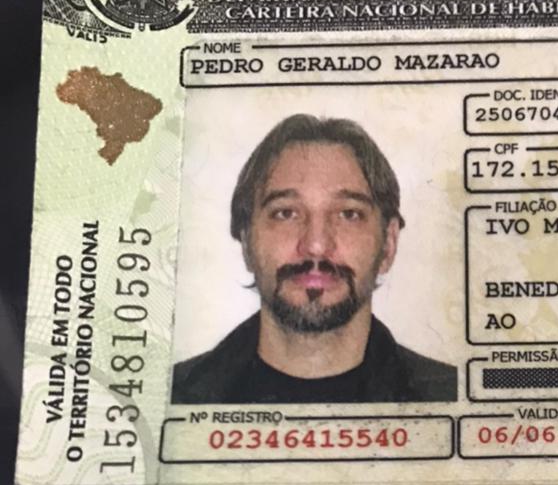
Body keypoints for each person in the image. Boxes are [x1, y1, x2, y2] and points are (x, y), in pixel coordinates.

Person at [171, 114, 457, 403]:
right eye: (286, 213)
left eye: (348, 214)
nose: (317, 245)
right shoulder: (172, 396)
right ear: (246, 242)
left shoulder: (451, 396)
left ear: (388, 244)